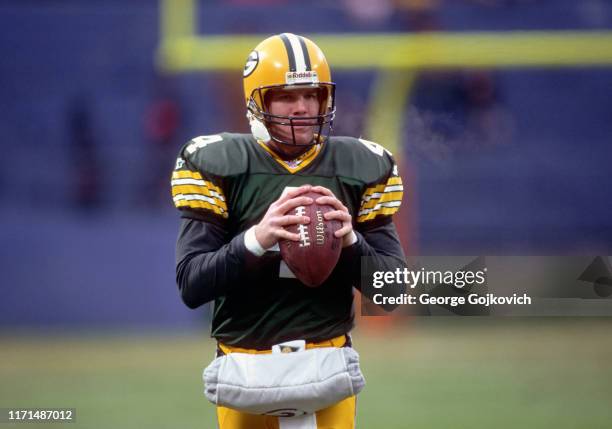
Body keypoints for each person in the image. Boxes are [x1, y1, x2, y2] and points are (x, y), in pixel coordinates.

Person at [171, 33, 406, 429]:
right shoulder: (220, 163)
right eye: (285, 96)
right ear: (257, 102)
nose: (301, 107)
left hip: (325, 368)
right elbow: (192, 285)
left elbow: (392, 291)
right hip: (245, 370)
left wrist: (350, 243)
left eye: (311, 95)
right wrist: (256, 240)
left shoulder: (359, 165)